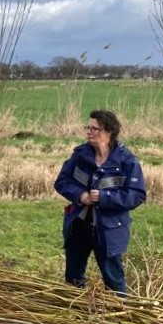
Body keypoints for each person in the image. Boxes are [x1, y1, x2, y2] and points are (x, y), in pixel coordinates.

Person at [54, 110, 146, 295]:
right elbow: (62, 182)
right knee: (73, 278)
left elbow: (136, 195)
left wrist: (105, 198)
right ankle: (76, 313)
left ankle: (118, 315)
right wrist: (81, 196)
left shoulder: (127, 161)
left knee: (114, 281)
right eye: (88, 128)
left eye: (95, 129)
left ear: (108, 131)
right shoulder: (80, 155)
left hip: (109, 230)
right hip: (79, 225)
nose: (89, 132)